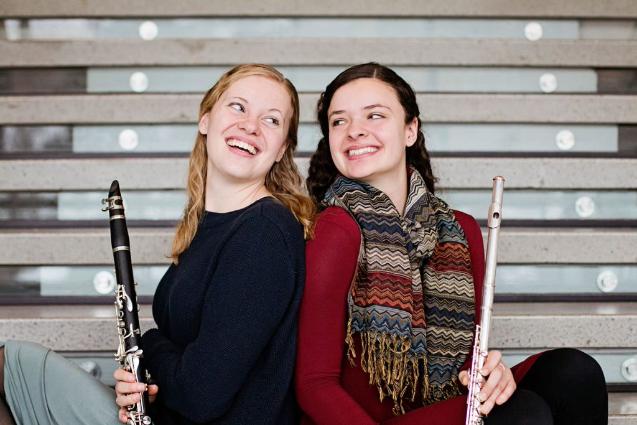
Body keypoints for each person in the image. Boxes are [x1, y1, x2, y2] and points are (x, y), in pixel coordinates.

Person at [0, 63, 313, 425]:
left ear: (281, 150)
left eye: (272, 120)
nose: (251, 126)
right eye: (238, 107)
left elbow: (200, 396)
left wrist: (148, 344)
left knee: (11, 363)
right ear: (206, 120)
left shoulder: (264, 233)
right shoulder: (208, 225)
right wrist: (139, 388)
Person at [295, 62, 608, 425]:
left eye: (374, 116)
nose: (355, 131)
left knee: (573, 371)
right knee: (523, 414)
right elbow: (314, 385)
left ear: (410, 129)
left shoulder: (458, 230)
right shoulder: (335, 229)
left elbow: (462, 364)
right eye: (339, 121)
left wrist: (490, 374)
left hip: (437, 408)